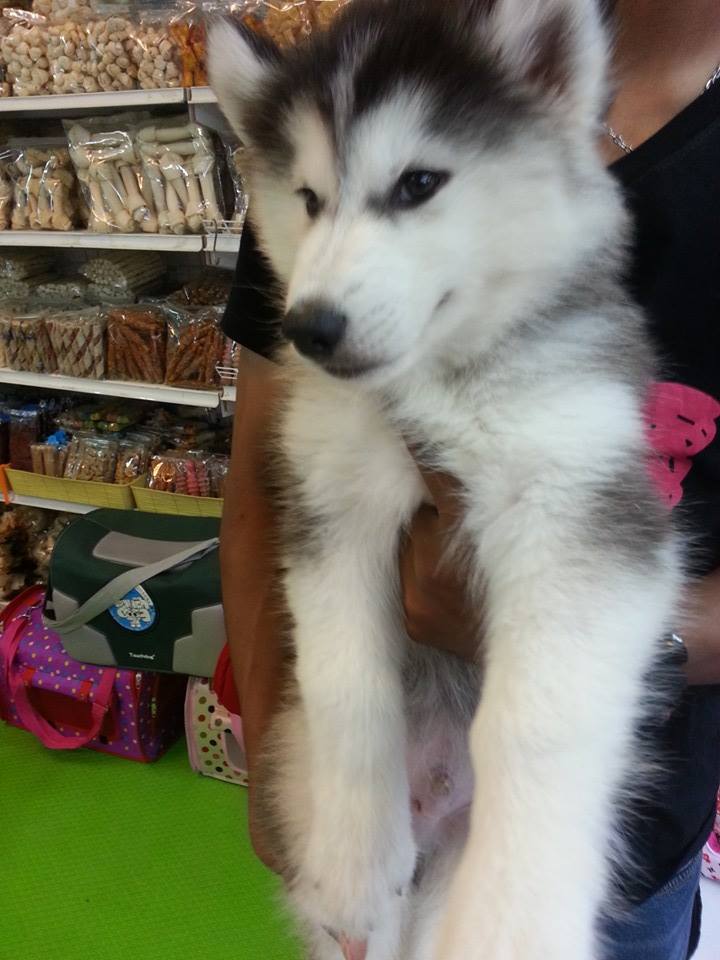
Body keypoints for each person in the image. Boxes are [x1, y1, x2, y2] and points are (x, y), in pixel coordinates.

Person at [218, 1, 720, 956]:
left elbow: (599, 561)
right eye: (312, 203)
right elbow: (277, 513)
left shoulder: (512, 88)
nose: (324, 284)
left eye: (415, 185)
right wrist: (337, 788)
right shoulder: (376, 53)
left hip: (610, 830)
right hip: (363, 800)